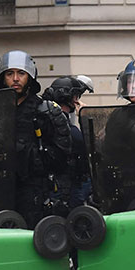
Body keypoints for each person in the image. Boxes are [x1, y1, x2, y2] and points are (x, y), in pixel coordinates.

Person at [0, 50, 74, 227]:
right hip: (0, 193)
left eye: (21, 73)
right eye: (10, 73)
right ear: (2, 78)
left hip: (36, 193)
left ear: (30, 77)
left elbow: (63, 158)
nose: (15, 78)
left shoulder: (47, 112)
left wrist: (30, 156)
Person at [43, 75, 92, 209]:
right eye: (75, 96)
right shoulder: (62, 124)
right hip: (65, 185)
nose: (77, 101)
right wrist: (85, 118)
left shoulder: (46, 117)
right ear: (67, 97)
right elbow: (85, 145)